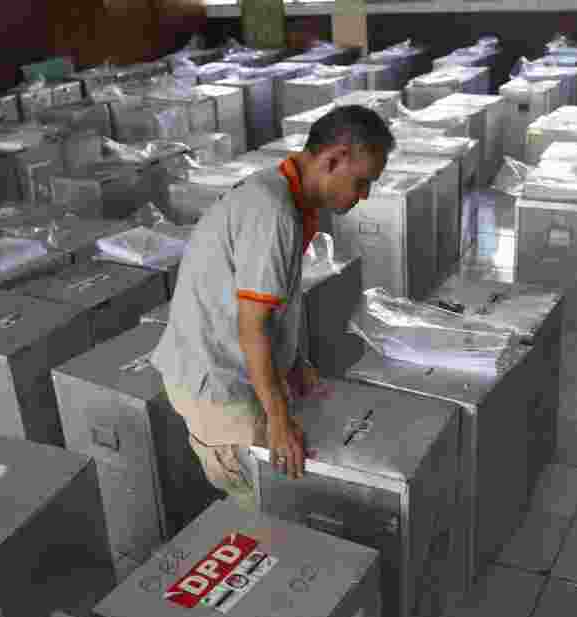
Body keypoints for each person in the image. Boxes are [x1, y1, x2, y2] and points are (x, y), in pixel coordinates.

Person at [151, 105, 394, 511]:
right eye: (362, 182)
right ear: (332, 159)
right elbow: (253, 327)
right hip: (219, 387)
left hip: (232, 369)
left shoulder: (286, 196)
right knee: (268, 509)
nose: (364, 195)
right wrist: (278, 420)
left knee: (279, 493)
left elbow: (269, 303)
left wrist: (293, 361)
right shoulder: (274, 213)